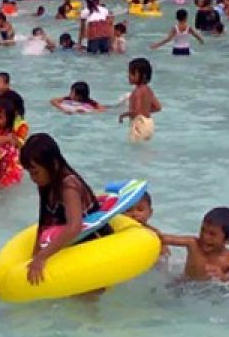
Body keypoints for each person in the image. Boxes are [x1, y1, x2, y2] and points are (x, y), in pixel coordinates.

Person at [20, 134, 107, 285]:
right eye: (29, 173)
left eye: (35, 172)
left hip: (94, 241)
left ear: (53, 164)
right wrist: (34, 256)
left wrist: (42, 257)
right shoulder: (46, 184)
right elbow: (44, 222)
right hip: (74, 243)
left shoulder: (68, 186)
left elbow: (75, 227)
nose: (32, 178)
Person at [158, 207, 229, 284]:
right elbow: (163, 238)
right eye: (203, 230)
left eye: (212, 234)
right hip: (183, 285)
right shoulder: (192, 243)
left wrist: (223, 277)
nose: (205, 237)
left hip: (207, 292)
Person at [119, 57, 160, 142]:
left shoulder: (137, 91)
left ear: (141, 75)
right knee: (144, 149)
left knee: (136, 147)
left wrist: (124, 115)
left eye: (131, 73)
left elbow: (136, 111)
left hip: (139, 123)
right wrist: (145, 110)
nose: (128, 76)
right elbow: (158, 107)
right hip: (149, 123)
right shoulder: (148, 90)